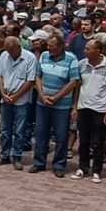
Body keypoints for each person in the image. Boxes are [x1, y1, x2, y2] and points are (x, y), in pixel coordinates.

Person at [32, 32, 80, 178]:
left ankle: (59, 164)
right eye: (48, 46)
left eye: (52, 46)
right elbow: (38, 76)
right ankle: (39, 162)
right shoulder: (44, 55)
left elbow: (74, 82)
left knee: (61, 135)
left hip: (62, 106)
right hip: (42, 103)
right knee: (40, 133)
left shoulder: (71, 58)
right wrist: (41, 95)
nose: (49, 49)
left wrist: (56, 97)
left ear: (61, 46)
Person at [72, 33, 106, 182]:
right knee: (83, 141)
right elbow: (77, 87)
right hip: (83, 107)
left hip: (100, 109)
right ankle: (82, 167)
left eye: (88, 49)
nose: (85, 51)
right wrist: (75, 107)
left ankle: (97, 171)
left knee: (98, 142)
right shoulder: (81, 64)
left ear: (98, 51)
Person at [0, 35, 36, 170]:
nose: (10, 53)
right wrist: (2, 93)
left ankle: (17, 156)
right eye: (7, 50)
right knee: (5, 130)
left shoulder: (30, 58)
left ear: (19, 47)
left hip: (22, 100)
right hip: (5, 98)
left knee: (19, 131)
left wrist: (16, 96)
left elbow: (30, 80)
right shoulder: (4, 56)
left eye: (12, 51)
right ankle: (4, 155)